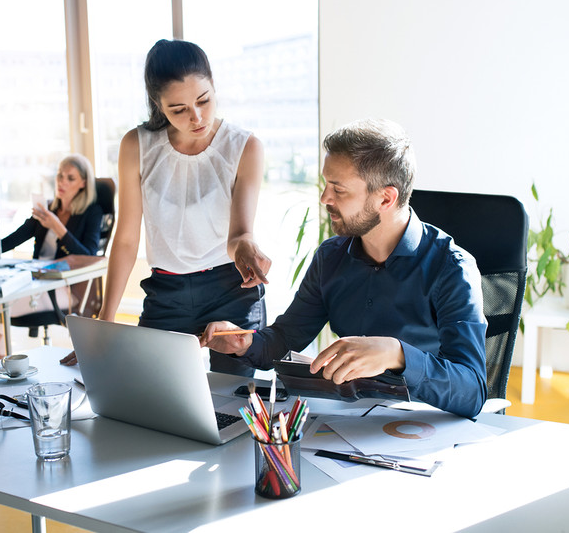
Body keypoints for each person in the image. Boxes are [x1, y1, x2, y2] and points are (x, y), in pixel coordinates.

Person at [200, 119, 488, 418]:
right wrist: (246, 343)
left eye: (339, 189)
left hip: (420, 426)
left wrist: (397, 354)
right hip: (345, 421)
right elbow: (286, 338)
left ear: (386, 198)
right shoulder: (331, 258)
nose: (325, 198)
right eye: (327, 184)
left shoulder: (451, 268)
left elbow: (472, 391)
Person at [60, 39, 271, 376]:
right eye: (179, 109)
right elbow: (127, 239)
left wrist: (247, 248)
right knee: (151, 394)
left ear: (214, 84)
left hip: (231, 289)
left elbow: (239, 234)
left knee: (234, 404)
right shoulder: (138, 145)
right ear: (158, 104)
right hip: (166, 292)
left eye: (204, 100)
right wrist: (105, 320)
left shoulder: (244, 146)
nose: (197, 116)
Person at [0, 154, 102, 365]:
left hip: (65, 287)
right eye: (60, 176)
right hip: (36, 280)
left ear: (83, 183)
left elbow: (88, 255)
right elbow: (11, 240)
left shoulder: (92, 213)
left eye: (70, 178)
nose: (62, 182)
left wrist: (57, 227)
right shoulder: (48, 209)